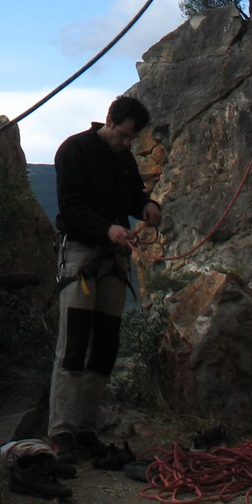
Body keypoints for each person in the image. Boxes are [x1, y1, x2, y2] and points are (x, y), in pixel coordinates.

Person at [48, 95, 161, 461]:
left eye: (131, 139)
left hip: (111, 257)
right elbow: (71, 207)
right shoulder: (74, 150)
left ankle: (85, 429)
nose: (126, 143)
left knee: (105, 345)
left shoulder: (120, 157)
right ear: (109, 120)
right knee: (75, 343)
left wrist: (146, 205)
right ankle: (63, 431)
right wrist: (108, 228)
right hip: (82, 253)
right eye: (124, 135)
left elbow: (131, 196)